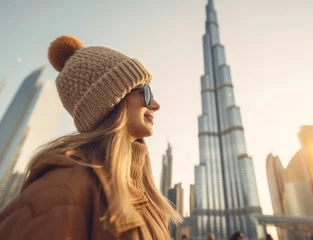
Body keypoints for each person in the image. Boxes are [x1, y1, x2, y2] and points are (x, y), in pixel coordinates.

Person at [0, 35, 182, 239]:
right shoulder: (63, 188)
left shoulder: (142, 190)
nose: (155, 105)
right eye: (145, 91)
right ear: (112, 100)